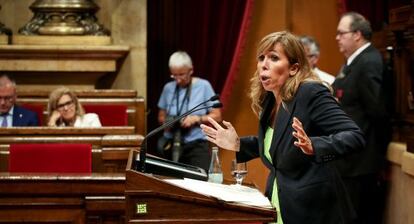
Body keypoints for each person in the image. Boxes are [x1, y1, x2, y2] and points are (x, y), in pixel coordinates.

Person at [200, 31, 365, 224]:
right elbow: (279, 145)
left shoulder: (310, 92)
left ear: (294, 68)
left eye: (274, 57)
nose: (264, 64)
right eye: (261, 57)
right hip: (281, 202)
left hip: (313, 209)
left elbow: (354, 136)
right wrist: (238, 144)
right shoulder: (270, 101)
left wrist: (314, 145)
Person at [333, 12, 391, 224]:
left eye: (341, 33)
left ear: (357, 34)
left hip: (361, 161)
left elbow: (377, 111)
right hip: (349, 159)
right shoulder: (353, 62)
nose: (337, 38)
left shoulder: (368, 62)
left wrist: (379, 155)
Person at [157, 51, 222, 171]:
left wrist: (196, 119)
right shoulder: (168, 88)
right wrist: (168, 122)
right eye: (174, 75)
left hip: (195, 144)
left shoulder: (203, 86)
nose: (178, 80)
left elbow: (217, 116)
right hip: (170, 143)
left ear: (191, 70)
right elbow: (161, 116)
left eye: (181, 74)